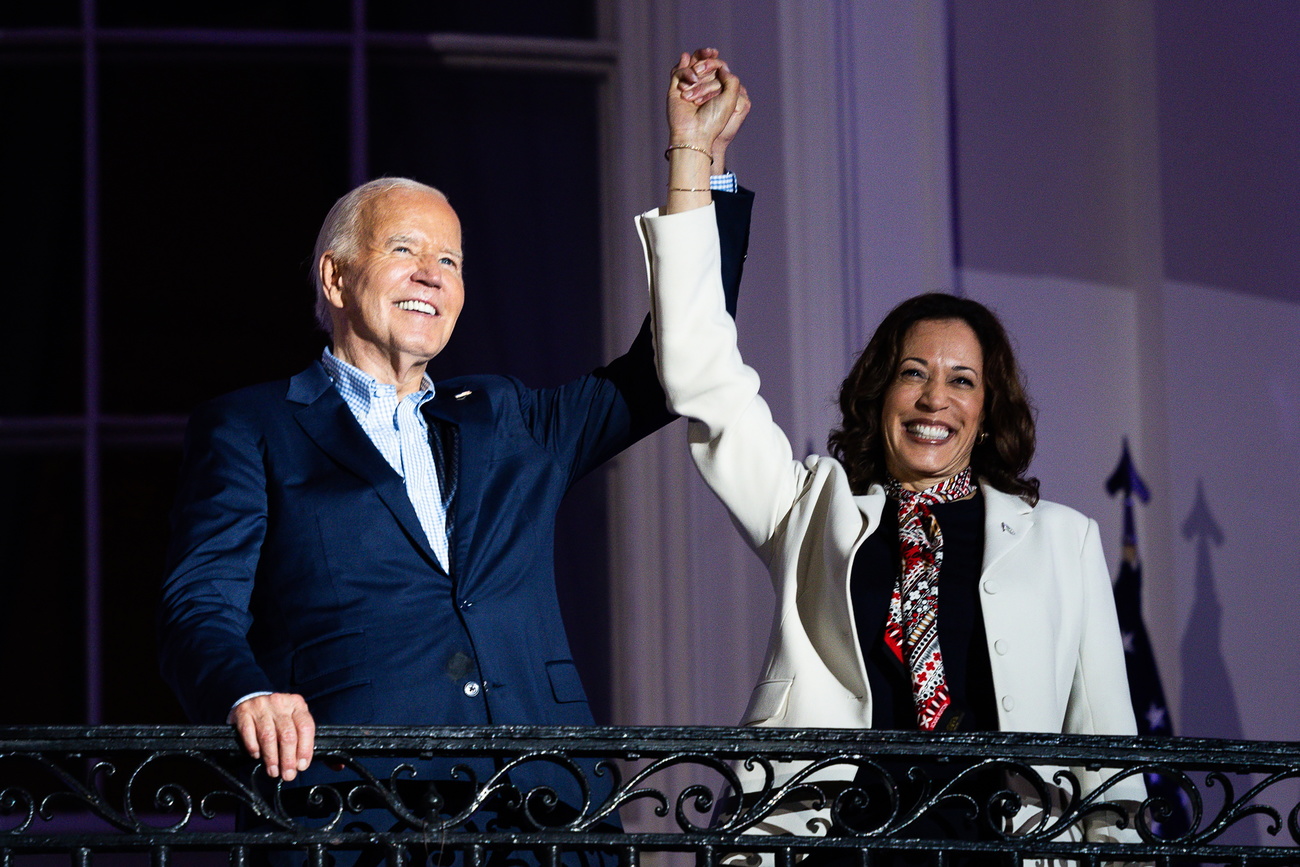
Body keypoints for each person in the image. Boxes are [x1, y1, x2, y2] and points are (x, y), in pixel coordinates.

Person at [156, 49, 752, 860]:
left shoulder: (506, 416)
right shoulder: (252, 426)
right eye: (405, 250)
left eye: (451, 261)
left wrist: (696, 162)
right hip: (356, 814)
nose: (431, 276)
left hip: (547, 811)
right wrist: (249, 692)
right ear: (335, 278)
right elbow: (198, 607)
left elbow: (666, 369)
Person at [639, 59, 1144, 861]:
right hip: (833, 846)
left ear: (988, 409)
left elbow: (1111, 769)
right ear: (880, 394)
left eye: (961, 380)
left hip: (1003, 850)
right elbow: (701, 373)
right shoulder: (811, 508)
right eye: (913, 372)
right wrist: (693, 158)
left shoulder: (1066, 541)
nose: (933, 397)